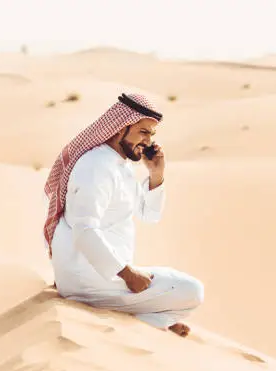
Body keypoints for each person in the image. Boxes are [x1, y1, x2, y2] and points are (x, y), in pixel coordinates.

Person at [43, 93, 204, 337]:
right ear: (119, 129)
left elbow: (149, 216)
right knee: (192, 291)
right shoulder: (95, 167)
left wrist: (156, 176)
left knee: (177, 283)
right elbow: (84, 230)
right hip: (90, 279)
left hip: (102, 273)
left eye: (151, 134)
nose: (149, 142)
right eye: (143, 132)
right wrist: (127, 274)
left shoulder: (119, 165)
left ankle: (150, 319)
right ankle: (148, 321)